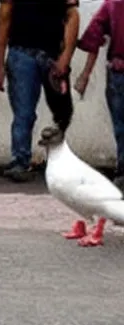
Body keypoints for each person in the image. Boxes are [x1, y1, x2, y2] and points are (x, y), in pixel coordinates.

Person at [0, 0, 80, 183]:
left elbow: (72, 16)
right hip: (21, 53)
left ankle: (54, 159)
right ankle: (20, 161)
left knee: (63, 112)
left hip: (52, 56)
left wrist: (66, 57)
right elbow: (4, 19)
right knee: (24, 113)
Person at [75, 0, 124, 190]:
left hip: (119, 73)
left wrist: (85, 75)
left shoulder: (113, 3)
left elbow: (93, 37)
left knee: (121, 126)